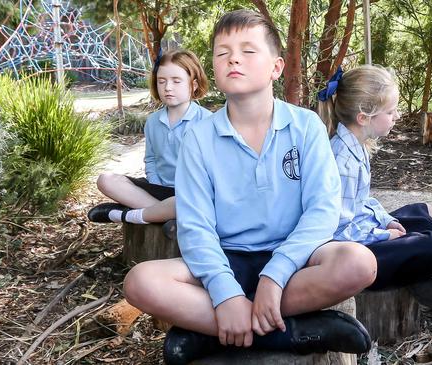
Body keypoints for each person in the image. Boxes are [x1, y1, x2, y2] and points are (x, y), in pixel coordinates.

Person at [123, 10, 378, 365]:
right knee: (140, 281)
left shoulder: (305, 126)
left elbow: (322, 210)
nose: (233, 59)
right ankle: (290, 333)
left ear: (276, 67)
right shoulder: (199, 137)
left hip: (294, 262)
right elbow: (196, 226)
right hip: (226, 257)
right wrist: (225, 293)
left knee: (358, 263)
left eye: (247, 50)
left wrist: (275, 275)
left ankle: (211, 334)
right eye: (222, 53)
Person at [318, 64, 432, 310]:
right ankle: (408, 275)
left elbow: (361, 203)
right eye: (391, 112)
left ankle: (410, 274)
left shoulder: (356, 146)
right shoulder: (342, 163)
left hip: (360, 231)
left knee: (425, 212)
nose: (398, 116)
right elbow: (337, 230)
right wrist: (383, 235)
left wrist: (385, 220)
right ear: (364, 117)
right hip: (349, 251)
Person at [87, 49, 211, 226]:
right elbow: (151, 160)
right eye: (162, 81)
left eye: (176, 81)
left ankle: (133, 214)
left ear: (194, 85)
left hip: (190, 193)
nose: (168, 87)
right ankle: (162, 214)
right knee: (105, 180)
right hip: (158, 190)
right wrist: (155, 184)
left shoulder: (206, 122)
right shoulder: (153, 121)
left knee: (192, 202)